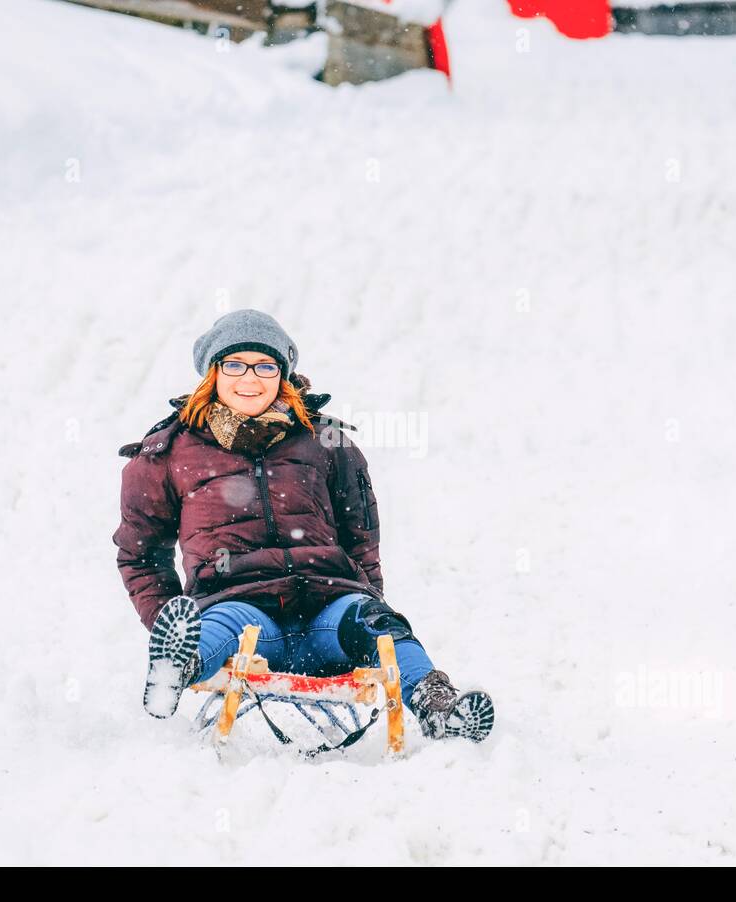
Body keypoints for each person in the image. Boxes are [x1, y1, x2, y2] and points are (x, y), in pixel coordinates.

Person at [112, 308, 494, 742]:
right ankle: (177, 663)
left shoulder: (326, 441)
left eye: (265, 365)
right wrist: (167, 615)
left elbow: (361, 537)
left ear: (283, 373)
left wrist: (368, 596)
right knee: (219, 625)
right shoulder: (169, 452)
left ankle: (437, 703)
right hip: (240, 607)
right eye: (234, 365)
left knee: (381, 627)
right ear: (212, 374)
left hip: (328, 610)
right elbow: (139, 553)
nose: (249, 378)